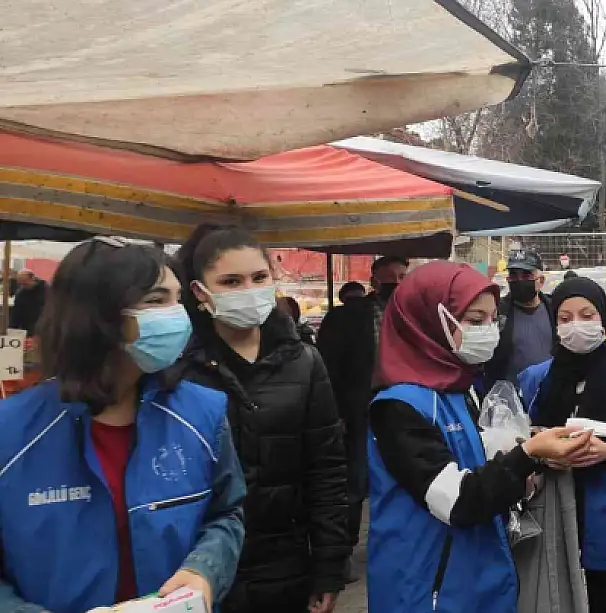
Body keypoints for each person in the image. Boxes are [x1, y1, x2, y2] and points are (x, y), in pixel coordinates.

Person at [0, 236, 246, 613]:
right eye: (156, 300)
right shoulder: (12, 431)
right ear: (99, 314)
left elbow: (226, 513)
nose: (176, 315)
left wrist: (204, 571)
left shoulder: (203, 412)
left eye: (177, 299)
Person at [366, 260, 596, 613]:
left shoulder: (459, 387)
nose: (489, 331)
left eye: (492, 320)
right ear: (427, 321)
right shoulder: (397, 407)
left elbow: (473, 452)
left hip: (477, 575)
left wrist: (526, 445)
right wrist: (528, 454)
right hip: (427, 587)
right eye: (474, 321)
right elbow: (459, 501)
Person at [167, 224, 349, 613]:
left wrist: (330, 564)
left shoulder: (303, 361)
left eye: (259, 277)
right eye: (231, 281)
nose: (248, 290)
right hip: (199, 566)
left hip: (286, 562)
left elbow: (327, 468)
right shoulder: (179, 368)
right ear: (201, 292)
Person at [517, 277, 606, 613]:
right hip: (550, 510)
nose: (575, 326)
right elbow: (521, 444)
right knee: (551, 598)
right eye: (565, 319)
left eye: (586, 315)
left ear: (604, 319)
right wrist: (542, 454)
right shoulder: (534, 380)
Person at [316, 255, 409, 579]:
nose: (396, 284)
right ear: (374, 282)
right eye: (389, 279)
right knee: (353, 483)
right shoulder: (347, 318)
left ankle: (395, 546)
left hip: (399, 409)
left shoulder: (409, 315)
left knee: (399, 478)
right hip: (358, 412)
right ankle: (341, 553)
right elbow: (328, 369)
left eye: (402, 276)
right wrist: (336, 412)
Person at [486, 249, 554, 387]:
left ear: (540, 281)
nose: (519, 280)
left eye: (526, 275)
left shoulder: (556, 309)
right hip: (509, 397)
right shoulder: (497, 311)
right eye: (513, 275)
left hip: (550, 393)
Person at [10, 268, 48, 335]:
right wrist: (12, 330)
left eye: (25, 283)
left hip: (44, 329)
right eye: (20, 284)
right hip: (27, 328)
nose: (22, 286)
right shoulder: (20, 294)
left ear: (33, 278)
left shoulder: (47, 290)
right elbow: (16, 314)